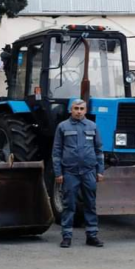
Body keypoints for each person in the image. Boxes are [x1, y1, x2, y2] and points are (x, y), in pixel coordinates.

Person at [52, 99, 105, 248]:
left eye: (82, 109)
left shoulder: (92, 126)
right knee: (69, 205)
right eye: (76, 108)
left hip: (89, 172)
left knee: (90, 204)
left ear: (86, 110)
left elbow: (99, 151)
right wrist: (58, 173)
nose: (79, 111)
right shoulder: (62, 127)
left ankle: (92, 235)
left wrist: (99, 171)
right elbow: (56, 152)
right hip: (70, 172)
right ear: (71, 110)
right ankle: (67, 236)